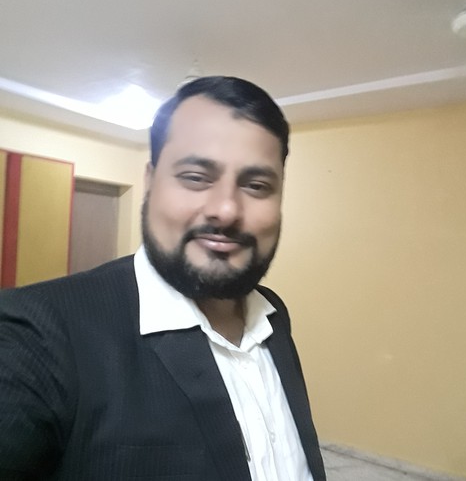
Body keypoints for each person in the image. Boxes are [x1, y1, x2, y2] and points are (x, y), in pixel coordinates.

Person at [0, 76, 326, 480]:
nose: (226, 210)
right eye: (195, 177)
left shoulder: (273, 314)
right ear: (151, 180)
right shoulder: (35, 334)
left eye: (257, 185)